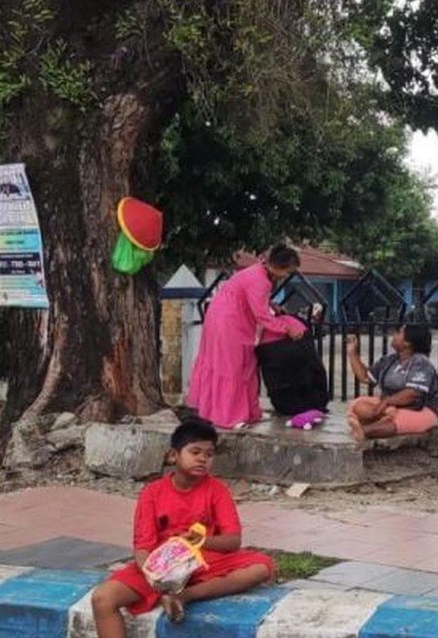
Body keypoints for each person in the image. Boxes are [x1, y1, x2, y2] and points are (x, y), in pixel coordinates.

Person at [90, 420, 275, 635]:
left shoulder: (217, 490)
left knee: (261, 567)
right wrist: (157, 577)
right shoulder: (152, 493)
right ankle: (167, 593)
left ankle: (183, 596)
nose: (202, 459)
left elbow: (233, 541)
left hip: (204, 561)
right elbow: (143, 547)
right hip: (161, 566)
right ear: (173, 455)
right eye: (195, 452)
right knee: (102, 599)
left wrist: (201, 541)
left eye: (209, 454)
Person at [187, 243, 305, 428]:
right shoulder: (261, 280)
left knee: (246, 364)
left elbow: (253, 298)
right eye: (288, 271)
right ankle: (229, 417)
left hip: (225, 317)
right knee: (232, 366)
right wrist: (287, 329)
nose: (286, 275)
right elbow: (262, 315)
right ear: (278, 266)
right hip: (228, 322)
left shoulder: (259, 271)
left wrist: (271, 304)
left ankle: (247, 412)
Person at [344, 324, 438, 440]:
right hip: (391, 406)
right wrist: (352, 352)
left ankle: (364, 431)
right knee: (357, 405)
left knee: (396, 421)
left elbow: (413, 393)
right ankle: (385, 415)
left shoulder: (421, 363)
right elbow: (365, 377)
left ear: (407, 343)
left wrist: (387, 402)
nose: (393, 334)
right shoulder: (390, 360)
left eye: (399, 332)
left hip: (420, 409)